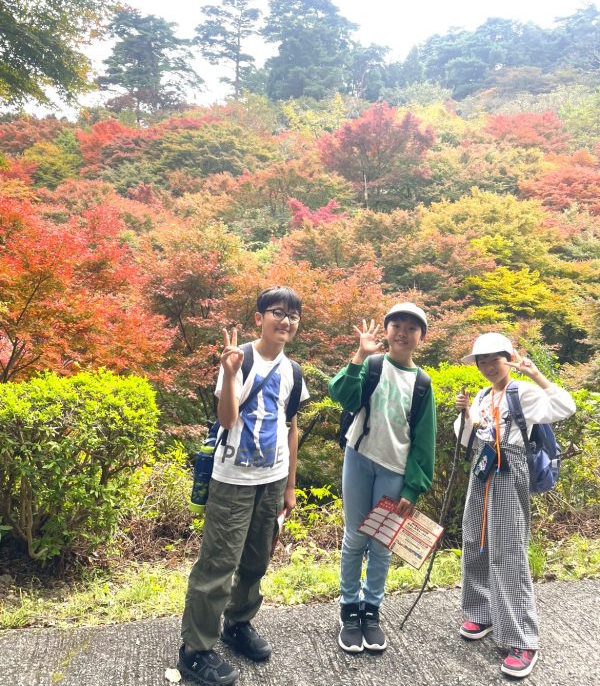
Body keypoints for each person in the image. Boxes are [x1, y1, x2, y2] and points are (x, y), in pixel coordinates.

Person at [178, 286, 309, 686]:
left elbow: (291, 428)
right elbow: (228, 419)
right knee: (218, 564)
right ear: (259, 318)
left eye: (293, 315)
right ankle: (196, 649)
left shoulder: (293, 371)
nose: (285, 321)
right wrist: (231, 372)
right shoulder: (241, 358)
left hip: (272, 480)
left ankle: (238, 624)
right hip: (233, 480)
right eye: (277, 312)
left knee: (255, 561)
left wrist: (290, 486)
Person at [454, 332, 576, 679]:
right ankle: (482, 613)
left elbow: (565, 407)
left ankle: (523, 640)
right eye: (482, 361)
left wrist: (536, 374)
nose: (488, 366)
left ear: (509, 359)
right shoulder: (482, 395)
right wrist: (465, 415)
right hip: (482, 469)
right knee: (474, 541)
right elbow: (466, 439)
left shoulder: (522, 392)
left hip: (509, 470)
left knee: (507, 551)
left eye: (495, 359)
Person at [329, 302, 436, 654]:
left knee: (382, 543)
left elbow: (424, 441)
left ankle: (371, 610)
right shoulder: (372, 365)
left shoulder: (422, 384)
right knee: (355, 536)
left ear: (421, 337)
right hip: (359, 459)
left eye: (411, 328)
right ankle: (349, 608)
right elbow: (340, 394)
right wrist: (359, 356)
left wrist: (413, 487)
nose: (403, 332)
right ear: (387, 331)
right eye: (397, 325)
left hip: (395, 469)